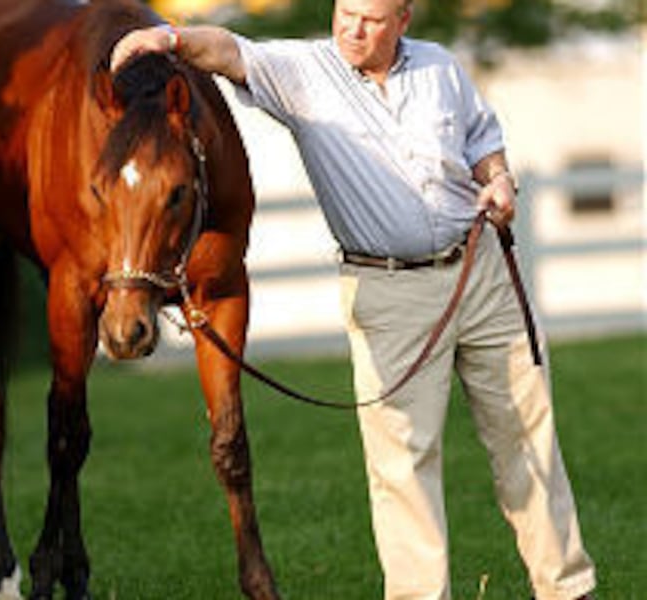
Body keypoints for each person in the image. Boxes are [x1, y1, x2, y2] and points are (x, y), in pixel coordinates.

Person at [110, 0, 597, 598]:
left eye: (370, 18)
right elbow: (231, 51)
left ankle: (568, 590)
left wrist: (497, 178)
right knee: (403, 471)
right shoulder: (305, 73)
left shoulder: (441, 67)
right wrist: (164, 40)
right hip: (390, 293)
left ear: (403, 21)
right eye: (345, 11)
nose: (351, 27)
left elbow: (481, 139)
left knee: (528, 440)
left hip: (483, 271)